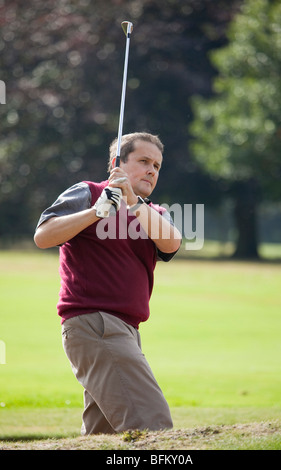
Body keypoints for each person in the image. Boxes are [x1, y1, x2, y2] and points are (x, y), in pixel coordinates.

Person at [34, 132, 182, 435]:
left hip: (126, 330)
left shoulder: (153, 213)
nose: (152, 170)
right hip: (95, 325)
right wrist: (95, 212)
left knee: (104, 437)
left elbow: (171, 244)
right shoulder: (88, 192)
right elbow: (44, 235)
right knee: (151, 424)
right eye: (143, 161)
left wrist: (133, 203)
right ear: (118, 163)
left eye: (157, 165)